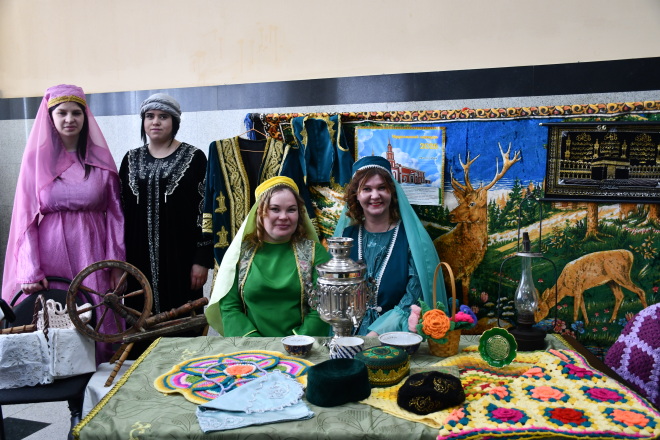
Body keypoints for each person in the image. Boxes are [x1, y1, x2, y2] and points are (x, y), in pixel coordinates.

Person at [2, 84, 125, 362]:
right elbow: (25, 218)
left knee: (96, 311)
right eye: (62, 113)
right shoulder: (36, 160)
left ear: (85, 117)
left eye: (76, 113)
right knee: (55, 315)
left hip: (93, 250)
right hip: (50, 251)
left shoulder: (100, 159)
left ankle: (97, 375)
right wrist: (30, 269)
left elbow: (116, 215)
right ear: (50, 117)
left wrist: (116, 263)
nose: (70, 119)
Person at [119, 93, 213, 318]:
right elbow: (119, 212)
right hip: (137, 259)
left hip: (181, 258)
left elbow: (206, 210)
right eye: (150, 116)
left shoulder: (195, 158)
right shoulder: (130, 159)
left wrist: (202, 259)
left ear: (175, 122)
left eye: (163, 116)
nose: (156, 122)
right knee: (140, 319)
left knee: (182, 318)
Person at [333, 155, 447, 336]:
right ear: (356, 195)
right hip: (347, 334)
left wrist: (374, 336)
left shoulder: (410, 239)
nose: (375, 195)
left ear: (392, 192)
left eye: (382, 188)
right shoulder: (346, 237)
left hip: (395, 336)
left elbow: (414, 297)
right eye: (367, 189)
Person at [205, 176, 331, 337]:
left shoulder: (316, 253)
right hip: (250, 346)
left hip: (303, 346)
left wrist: (295, 343)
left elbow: (323, 306)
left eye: (291, 210)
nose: (284, 216)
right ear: (260, 212)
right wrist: (255, 343)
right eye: (275, 209)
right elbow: (229, 307)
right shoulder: (240, 254)